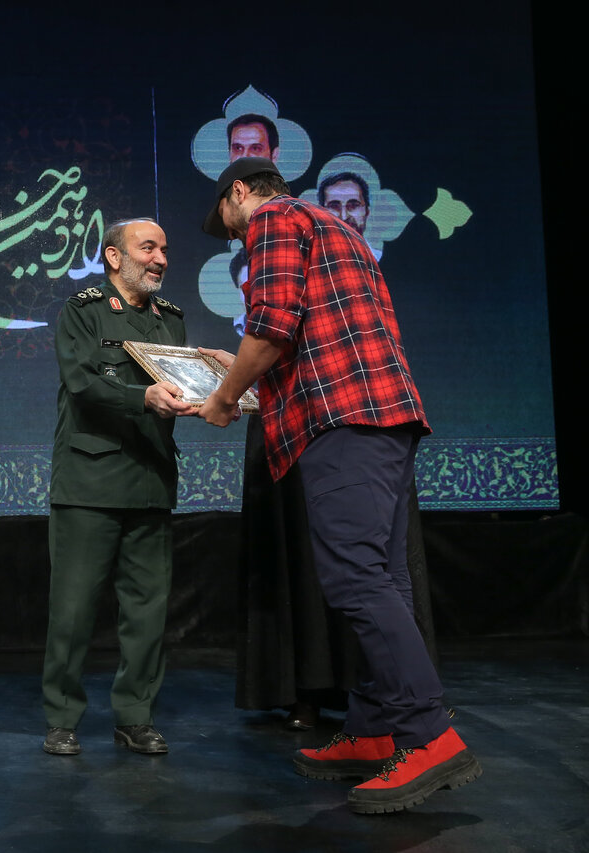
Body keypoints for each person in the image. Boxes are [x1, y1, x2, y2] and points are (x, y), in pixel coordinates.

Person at [196, 157, 479, 814]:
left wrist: (225, 395)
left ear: (241, 192)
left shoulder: (273, 219)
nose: (234, 235)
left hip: (343, 420)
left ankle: (428, 735)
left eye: (228, 222)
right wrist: (240, 368)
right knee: (383, 578)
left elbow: (272, 328)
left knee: (354, 578)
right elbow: (318, 336)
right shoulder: (334, 227)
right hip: (383, 412)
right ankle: (376, 726)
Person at [41, 218, 193, 758]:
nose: (160, 259)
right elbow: (82, 382)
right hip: (90, 482)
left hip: (151, 480)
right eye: (148, 248)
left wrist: (218, 394)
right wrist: (142, 398)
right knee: (73, 611)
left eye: (164, 249)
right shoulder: (83, 310)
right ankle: (62, 718)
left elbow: (184, 385)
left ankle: (135, 717)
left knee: (148, 611)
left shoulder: (172, 319)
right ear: (113, 256)